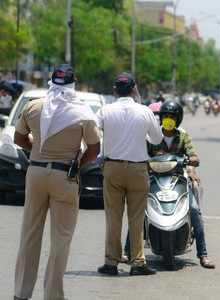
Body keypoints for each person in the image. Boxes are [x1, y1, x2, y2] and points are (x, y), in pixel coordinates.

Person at [13, 64, 101, 300]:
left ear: (52, 81)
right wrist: (77, 164)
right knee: (61, 238)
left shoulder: (34, 106)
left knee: (29, 233)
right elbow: (94, 149)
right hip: (65, 176)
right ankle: (53, 295)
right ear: (74, 84)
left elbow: (18, 137)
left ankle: (21, 293)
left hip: (36, 173)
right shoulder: (83, 113)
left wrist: (38, 149)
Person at [124, 101, 215, 269]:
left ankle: (203, 254)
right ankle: (127, 250)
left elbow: (194, 155)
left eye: (172, 117)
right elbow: (141, 153)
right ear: (160, 117)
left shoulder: (183, 136)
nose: (168, 119)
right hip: (153, 180)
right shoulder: (151, 136)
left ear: (178, 119)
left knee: (194, 210)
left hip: (178, 179)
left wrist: (192, 160)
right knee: (139, 210)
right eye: (166, 116)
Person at [97, 72, 163, 276]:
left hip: (113, 168)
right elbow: (156, 139)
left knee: (113, 218)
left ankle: (111, 263)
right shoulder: (144, 111)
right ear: (134, 89)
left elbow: (94, 134)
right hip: (137, 169)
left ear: (115, 90)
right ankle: (138, 262)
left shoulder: (104, 110)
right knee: (136, 219)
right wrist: (141, 103)